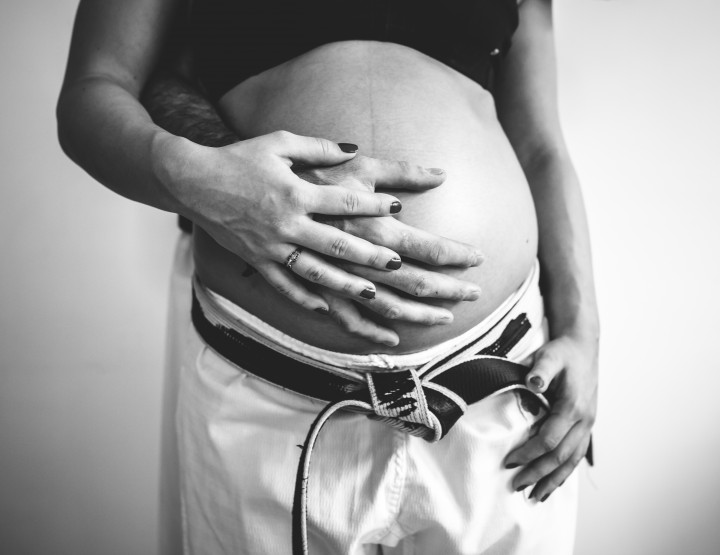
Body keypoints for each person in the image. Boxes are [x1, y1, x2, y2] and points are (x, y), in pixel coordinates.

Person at [57, 0, 599, 553]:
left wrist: (583, 330)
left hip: (498, 385)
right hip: (269, 398)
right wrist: (203, 180)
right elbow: (92, 92)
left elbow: (540, 145)